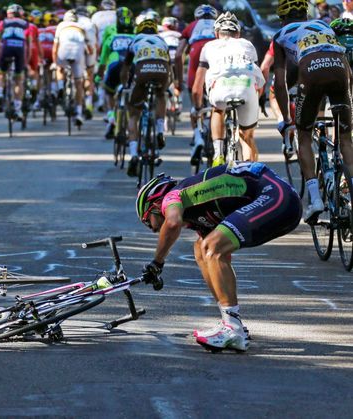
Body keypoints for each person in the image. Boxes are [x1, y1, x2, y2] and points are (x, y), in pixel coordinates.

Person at [136, 162, 302, 351]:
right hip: (279, 201)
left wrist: (157, 262)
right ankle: (230, 321)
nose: (153, 230)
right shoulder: (197, 213)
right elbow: (220, 260)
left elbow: (172, 223)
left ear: (155, 205)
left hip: (276, 196)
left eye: (148, 221)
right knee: (201, 249)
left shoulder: (173, 196)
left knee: (212, 247)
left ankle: (233, 328)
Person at [272, 0, 352, 223]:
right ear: (306, 15)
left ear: (282, 18)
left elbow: (280, 83)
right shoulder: (325, 26)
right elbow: (346, 69)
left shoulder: (280, 34)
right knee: (345, 138)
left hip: (311, 69)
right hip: (339, 70)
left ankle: (315, 200)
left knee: (303, 135)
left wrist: (287, 120)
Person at [191, 12, 265, 165]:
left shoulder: (209, 46)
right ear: (237, 33)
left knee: (217, 110)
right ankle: (249, 173)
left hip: (220, 89)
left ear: (217, 33)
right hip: (246, 88)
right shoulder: (247, 44)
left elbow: (197, 86)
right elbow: (257, 78)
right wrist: (256, 101)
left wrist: (197, 108)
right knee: (247, 137)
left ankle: (218, 154)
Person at [123, 18, 171, 177]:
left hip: (143, 70)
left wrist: (126, 86)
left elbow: (126, 68)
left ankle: (134, 155)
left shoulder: (135, 40)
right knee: (161, 95)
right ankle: (159, 130)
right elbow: (170, 67)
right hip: (162, 70)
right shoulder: (162, 40)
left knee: (134, 113)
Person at [175, 4, 218, 164]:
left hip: (196, 58)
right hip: (215, 57)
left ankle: (198, 137)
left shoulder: (191, 26)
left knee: (196, 104)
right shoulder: (219, 25)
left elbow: (179, 54)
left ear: (196, 17)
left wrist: (179, 79)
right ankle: (218, 137)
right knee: (218, 104)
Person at [97, 6, 134, 139]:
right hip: (131, 68)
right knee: (131, 94)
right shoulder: (136, 36)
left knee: (108, 92)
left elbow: (102, 61)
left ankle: (112, 117)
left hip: (114, 66)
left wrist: (98, 76)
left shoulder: (111, 36)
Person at [53, 10, 91, 126]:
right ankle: (79, 113)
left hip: (63, 52)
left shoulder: (60, 26)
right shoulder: (81, 26)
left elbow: (55, 47)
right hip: (77, 53)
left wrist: (55, 62)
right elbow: (89, 49)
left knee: (59, 68)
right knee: (78, 83)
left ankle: (60, 87)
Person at [0, 4, 31, 120]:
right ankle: (18, 108)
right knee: (19, 80)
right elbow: (29, 44)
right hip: (19, 50)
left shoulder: (3, 23)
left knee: (0, 73)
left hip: (6, 48)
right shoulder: (25, 24)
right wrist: (26, 62)